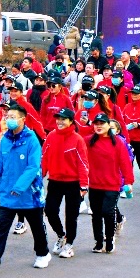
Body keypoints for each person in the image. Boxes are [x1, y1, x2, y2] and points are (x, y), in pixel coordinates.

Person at [0, 103, 50, 273]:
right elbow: (1, 166)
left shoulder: (32, 140)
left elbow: (33, 167)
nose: (9, 119)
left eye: (13, 117)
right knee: (2, 226)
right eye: (7, 116)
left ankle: (43, 253)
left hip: (28, 194)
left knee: (36, 225)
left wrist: (19, 187)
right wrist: (1, 189)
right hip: (9, 193)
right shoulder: (5, 140)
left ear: (23, 119)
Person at [41, 107, 89, 257]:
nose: (60, 122)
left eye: (63, 119)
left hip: (73, 183)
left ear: (70, 121)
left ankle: (69, 244)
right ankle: (61, 235)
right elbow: (44, 159)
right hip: (55, 180)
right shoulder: (51, 137)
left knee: (71, 215)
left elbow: (83, 163)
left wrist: (84, 184)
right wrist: (38, 178)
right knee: (50, 210)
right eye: (58, 119)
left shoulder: (77, 139)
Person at [84, 114, 134, 253]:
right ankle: (99, 241)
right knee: (96, 214)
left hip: (112, 184)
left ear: (108, 126)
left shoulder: (117, 142)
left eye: (102, 123)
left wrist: (129, 181)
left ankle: (110, 238)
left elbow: (125, 163)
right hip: (94, 184)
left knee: (108, 212)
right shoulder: (88, 141)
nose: (99, 126)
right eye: (96, 123)